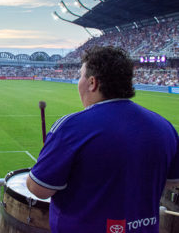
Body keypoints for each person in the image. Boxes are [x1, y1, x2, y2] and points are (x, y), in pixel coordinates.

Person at [26, 46, 179, 232]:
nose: (78, 81)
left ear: (92, 82)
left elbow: (39, 188)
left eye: (80, 75)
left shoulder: (71, 127)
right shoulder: (164, 126)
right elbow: (172, 181)